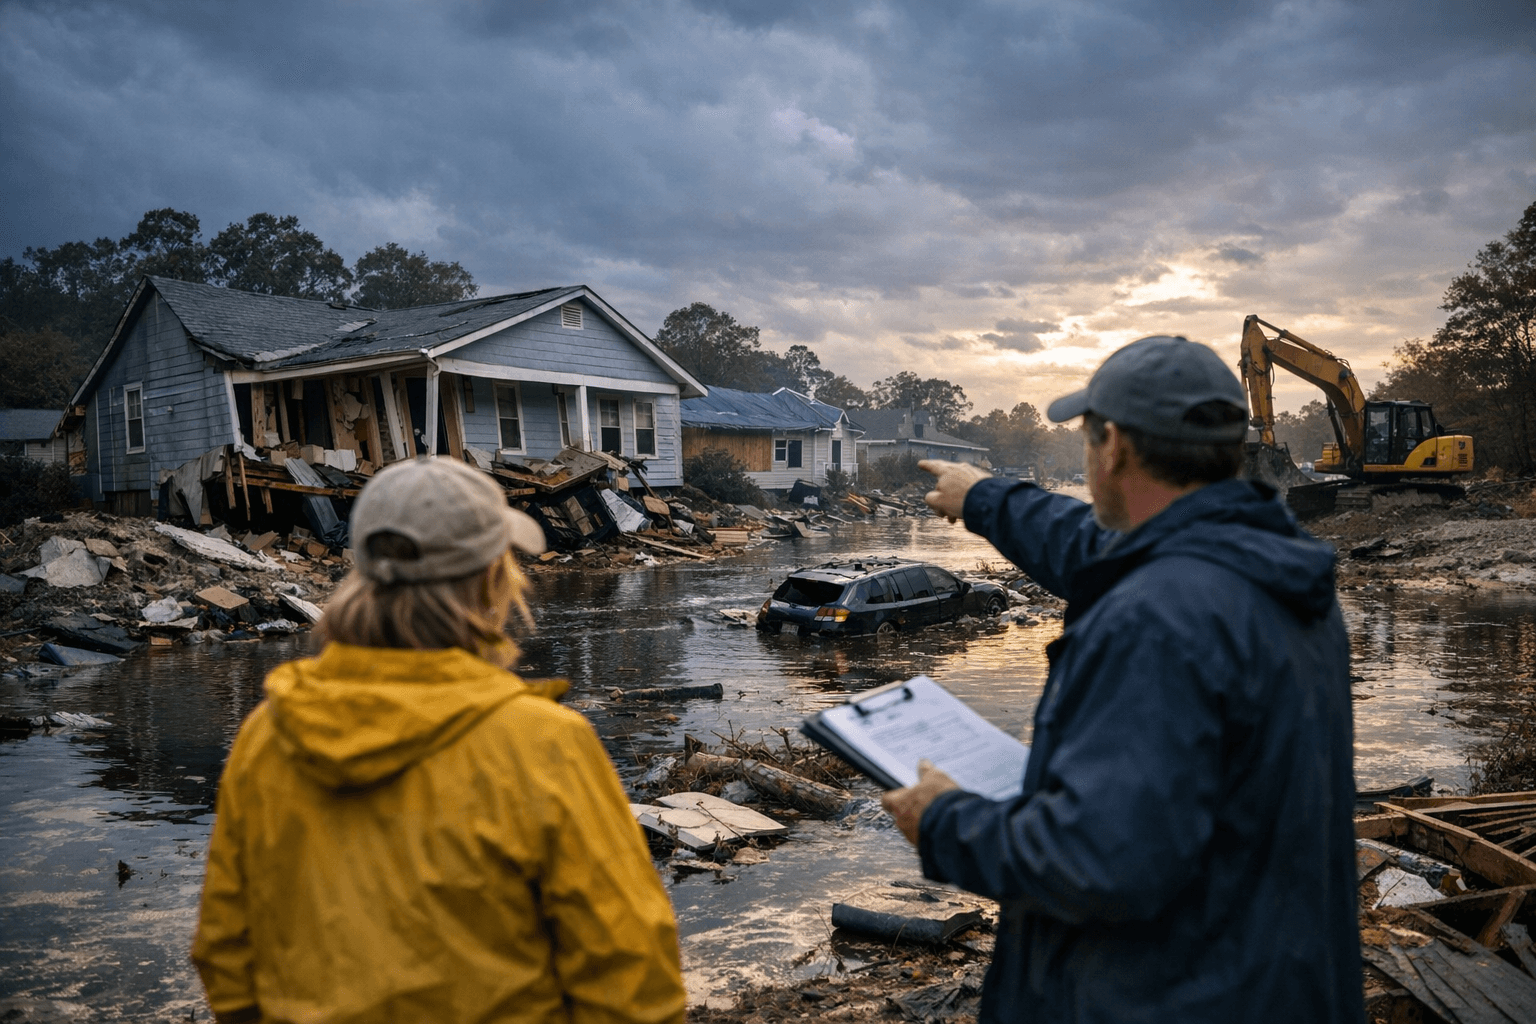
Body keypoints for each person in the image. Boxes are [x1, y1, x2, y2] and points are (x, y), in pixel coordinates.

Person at [883, 336, 1362, 1023]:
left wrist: (945, 823)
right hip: (1272, 978)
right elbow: (1097, 547)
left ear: (1113, 450)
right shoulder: (1267, 568)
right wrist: (986, 499)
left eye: (1086, 436)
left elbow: (1099, 860)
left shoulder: (1158, 619)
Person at [192, 458, 686, 1024]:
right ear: (489, 580)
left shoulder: (268, 736)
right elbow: (631, 972)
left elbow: (225, 950)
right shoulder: (543, 743)